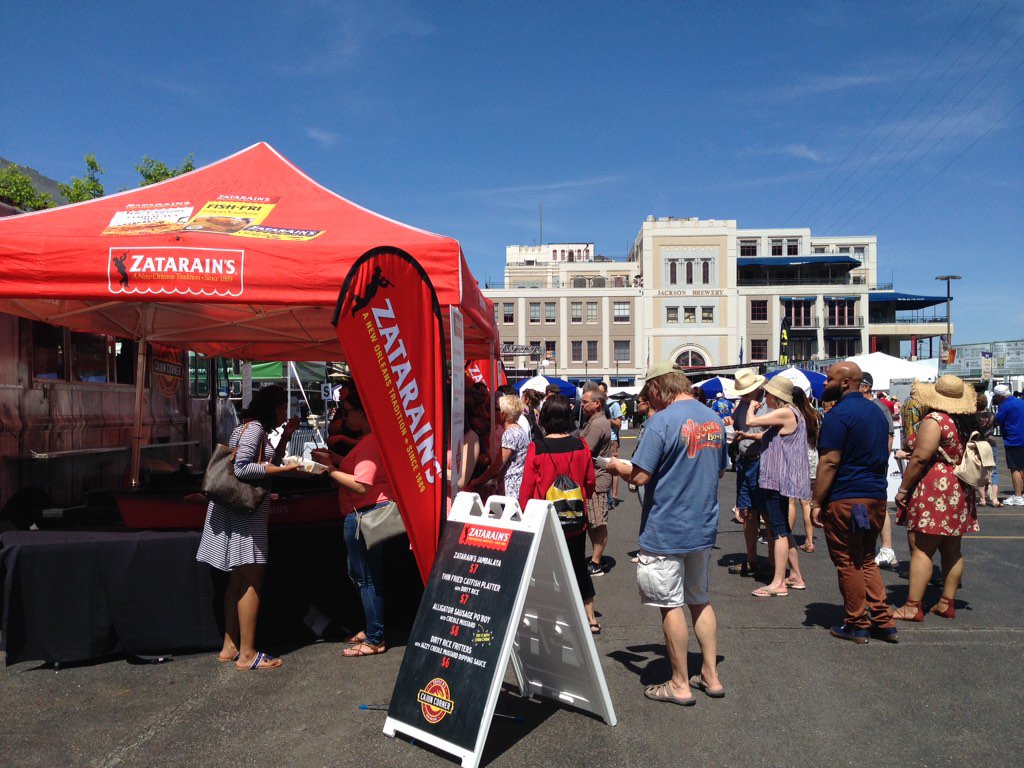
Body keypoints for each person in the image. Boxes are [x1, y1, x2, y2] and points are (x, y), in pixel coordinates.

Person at [606, 362, 727, 705]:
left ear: (658, 389)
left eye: (650, 395)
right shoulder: (714, 419)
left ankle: (679, 683)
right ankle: (710, 674)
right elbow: (719, 471)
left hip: (667, 526)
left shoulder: (662, 420)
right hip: (702, 524)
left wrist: (616, 466)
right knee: (699, 598)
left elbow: (640, 476)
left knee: (670, 603)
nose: (650, 401)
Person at [196, 385, 301, 670]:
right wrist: (285, 471)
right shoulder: (255, 430)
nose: (285, 413)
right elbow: (243, 468)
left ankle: (230, 647)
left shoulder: (247, 428)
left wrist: (285, 439)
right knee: (252, 579)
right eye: (283, 406)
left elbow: (264, 463)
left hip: (234, 512)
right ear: (273, 407)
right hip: (246, 515)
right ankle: (248, 653)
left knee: (236, 580)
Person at [810, 362, 897, 644]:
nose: (824, 383)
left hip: (848, 497)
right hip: (875, 496)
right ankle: (883, 621)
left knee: (848, 561)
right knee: (866, 558)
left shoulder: (838, 414)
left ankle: (857, 622)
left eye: (829, 378)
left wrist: (816, 501)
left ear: (845, 383)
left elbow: (830, 461)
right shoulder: (877, 412)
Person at [316, 387, 396, 657]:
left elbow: (362, 485)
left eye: (348, 411)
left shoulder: (370, 442)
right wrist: (335, 461)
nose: (344, 417)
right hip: (366, 513)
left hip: (365, 514)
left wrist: (329, 470)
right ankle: (374, 629)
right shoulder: (370, 441)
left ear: (363, 412)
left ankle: (375, 638)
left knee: (366, 578)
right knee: (365, 576)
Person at [892, 375, 979, 621]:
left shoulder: (936, 420)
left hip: (937, 486)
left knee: (923, 549)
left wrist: (904, 489)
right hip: (960, 485)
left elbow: (920, 458)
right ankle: (946, 602)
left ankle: (912, 606)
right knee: (952, 549)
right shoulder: (965, 421)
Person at [519, 395, 601, 634]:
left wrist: (526, 515)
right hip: (575, 519)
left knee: (546, 571)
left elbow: (526, 488)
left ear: (544, 418)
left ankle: (549, 619)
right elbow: (589, 482)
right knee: (578, 566)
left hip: (546, 520)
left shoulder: (537, 447)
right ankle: (590, 617)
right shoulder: (581, 446)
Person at [744, 376, 808, 596]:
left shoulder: (786, 412)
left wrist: (751, 407)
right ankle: (796, 575)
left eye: (767, 393)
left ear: (776, 395)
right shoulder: (791, 413)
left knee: (778, 530)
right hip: (781, 478)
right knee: (784, 529)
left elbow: (752, 421)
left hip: (776, 478)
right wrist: (749, 436)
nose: (765, 397)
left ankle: (778, 583)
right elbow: (770, 434)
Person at [727, 369, 769, 579]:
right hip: (744, 461)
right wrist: (729, 424)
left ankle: (772, 562)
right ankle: (752, 559)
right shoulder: (743, 404)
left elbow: (775, 435)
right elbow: (736, 424)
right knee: (748, 514)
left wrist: (750, 436)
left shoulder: (769, 403)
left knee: (768, 514)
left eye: (746, 392)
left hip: (762, 462)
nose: (743, 396)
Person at [861, 372, 898, 570]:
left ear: (866, 387)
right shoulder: (868, 406)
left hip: (874, 465)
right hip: (868, 464)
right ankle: (875, 548)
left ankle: (887, 549)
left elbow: (889, 438)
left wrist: (880, 460)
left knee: (878, 505)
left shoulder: (878, 407)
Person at [468, 394, 531, 500]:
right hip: (516, 485)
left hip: (511, 488)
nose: (492, 412)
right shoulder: (518, 430)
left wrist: (478, 480)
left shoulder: (510, 433)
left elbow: (498, 464)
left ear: (504, 414)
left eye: (496, 409)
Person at [580, 384, 613, 575]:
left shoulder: (598, 424)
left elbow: (585, 451)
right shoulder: (595, 421)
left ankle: (596, 562)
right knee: (593, 521)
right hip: (595, 478)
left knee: (597, 522)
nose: (582, 405)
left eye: (586, 402)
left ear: (597, 404)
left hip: (598, 479)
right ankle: (595, 558)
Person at [793, 387, 822, 554]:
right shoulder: (815, 415)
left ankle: (785, 538)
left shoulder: (794, 415)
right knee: (806, 503)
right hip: (812, 458)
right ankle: (809, 540)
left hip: (796, 459)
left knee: (790, 501)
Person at [993, 383, 1024, 505]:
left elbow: (998, 420)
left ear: (1000, 396)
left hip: (1013, 439)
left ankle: (1017, 496)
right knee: (1022, 467)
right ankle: (1021, 493)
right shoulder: (1020, 402)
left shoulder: (1005, 405)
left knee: (1015, 468)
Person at [599, 382, 625, 506]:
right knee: (602, 466)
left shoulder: (613, 404)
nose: (599, 394)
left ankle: (614, 496)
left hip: (612, 439)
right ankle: (604, 496)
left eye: (601, 391)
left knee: (614, 467)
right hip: (601, 438)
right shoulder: (597, 404)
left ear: (606, 392)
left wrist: (607, 419)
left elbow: (619, 424)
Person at [976, 391, 1001, 507]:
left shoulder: (973, 416)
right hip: (991, 443)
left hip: (979, 444)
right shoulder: (992, 414)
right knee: (994, 471)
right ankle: (995, 499)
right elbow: (995, 425)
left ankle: (982, 499)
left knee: (981, 471)